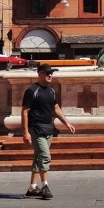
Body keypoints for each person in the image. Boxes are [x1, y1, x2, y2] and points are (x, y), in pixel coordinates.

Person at [21, 64, 76, 200]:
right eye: (47, 73)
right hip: (36, 128)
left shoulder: (51, 91)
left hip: (48, 128)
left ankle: (32, 187)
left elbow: (56, 109)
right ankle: (45, 186)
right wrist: (25, 132)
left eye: (51, 73)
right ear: (39, 74)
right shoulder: (32, 91)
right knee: (45, 156)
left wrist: (67, 123)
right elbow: (25, 111)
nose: (50, 75)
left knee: (38, 157)